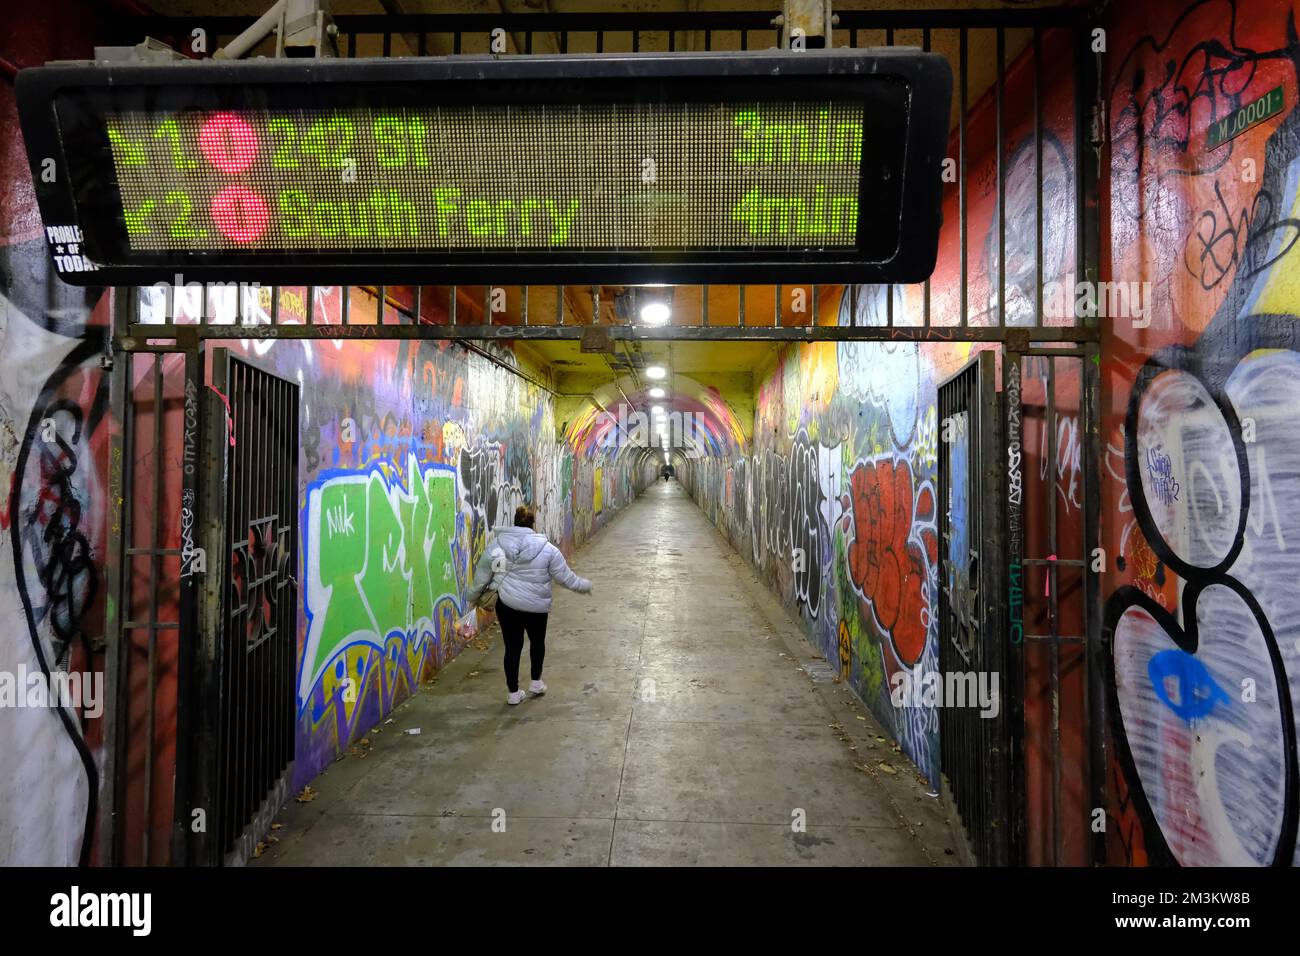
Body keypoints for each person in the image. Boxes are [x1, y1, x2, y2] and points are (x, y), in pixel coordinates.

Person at [468, 504, 592, 705]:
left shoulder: (497, 546)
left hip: (508, 605)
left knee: (512, 647)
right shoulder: (548, 549)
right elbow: (564, 577)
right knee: (537, 642)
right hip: (537, 606)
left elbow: (482, 576)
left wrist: (472, 596)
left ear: (514, 523)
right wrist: (583, 586)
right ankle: (536, 681)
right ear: (533, 525)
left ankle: (513, 693)